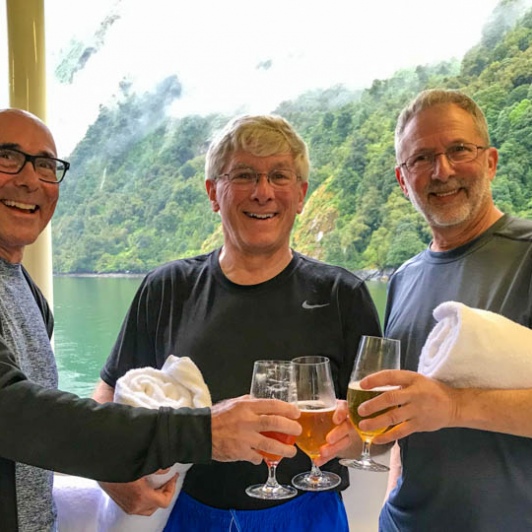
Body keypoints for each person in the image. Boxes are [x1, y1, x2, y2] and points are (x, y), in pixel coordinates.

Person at [0, 108, 303, 532]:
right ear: (214, 193)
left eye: (46, 165)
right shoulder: (167, 286)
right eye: (8, 157)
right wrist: (203, 432)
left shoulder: (25, 290)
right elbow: (16, 412)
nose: (30, 179)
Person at [92, 114, 382, 530]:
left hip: (306, 515)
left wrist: (350, 436)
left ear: (300, 195)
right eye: (244, 175)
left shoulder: (342, 295)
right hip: (188, 512)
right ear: (213, 193)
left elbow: (379, 427)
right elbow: (107, 392)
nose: (263, 192)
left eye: (279, 176)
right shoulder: (167, 288)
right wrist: (111, 473)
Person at [350, 89, 532, 531]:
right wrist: (393, 478)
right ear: (402, 179)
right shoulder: (405, 279)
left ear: (490, 161)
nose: (442, 170)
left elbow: (437, 405)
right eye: (422, 158)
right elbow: (406, 410)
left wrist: (453, 407)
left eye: (458, 150)